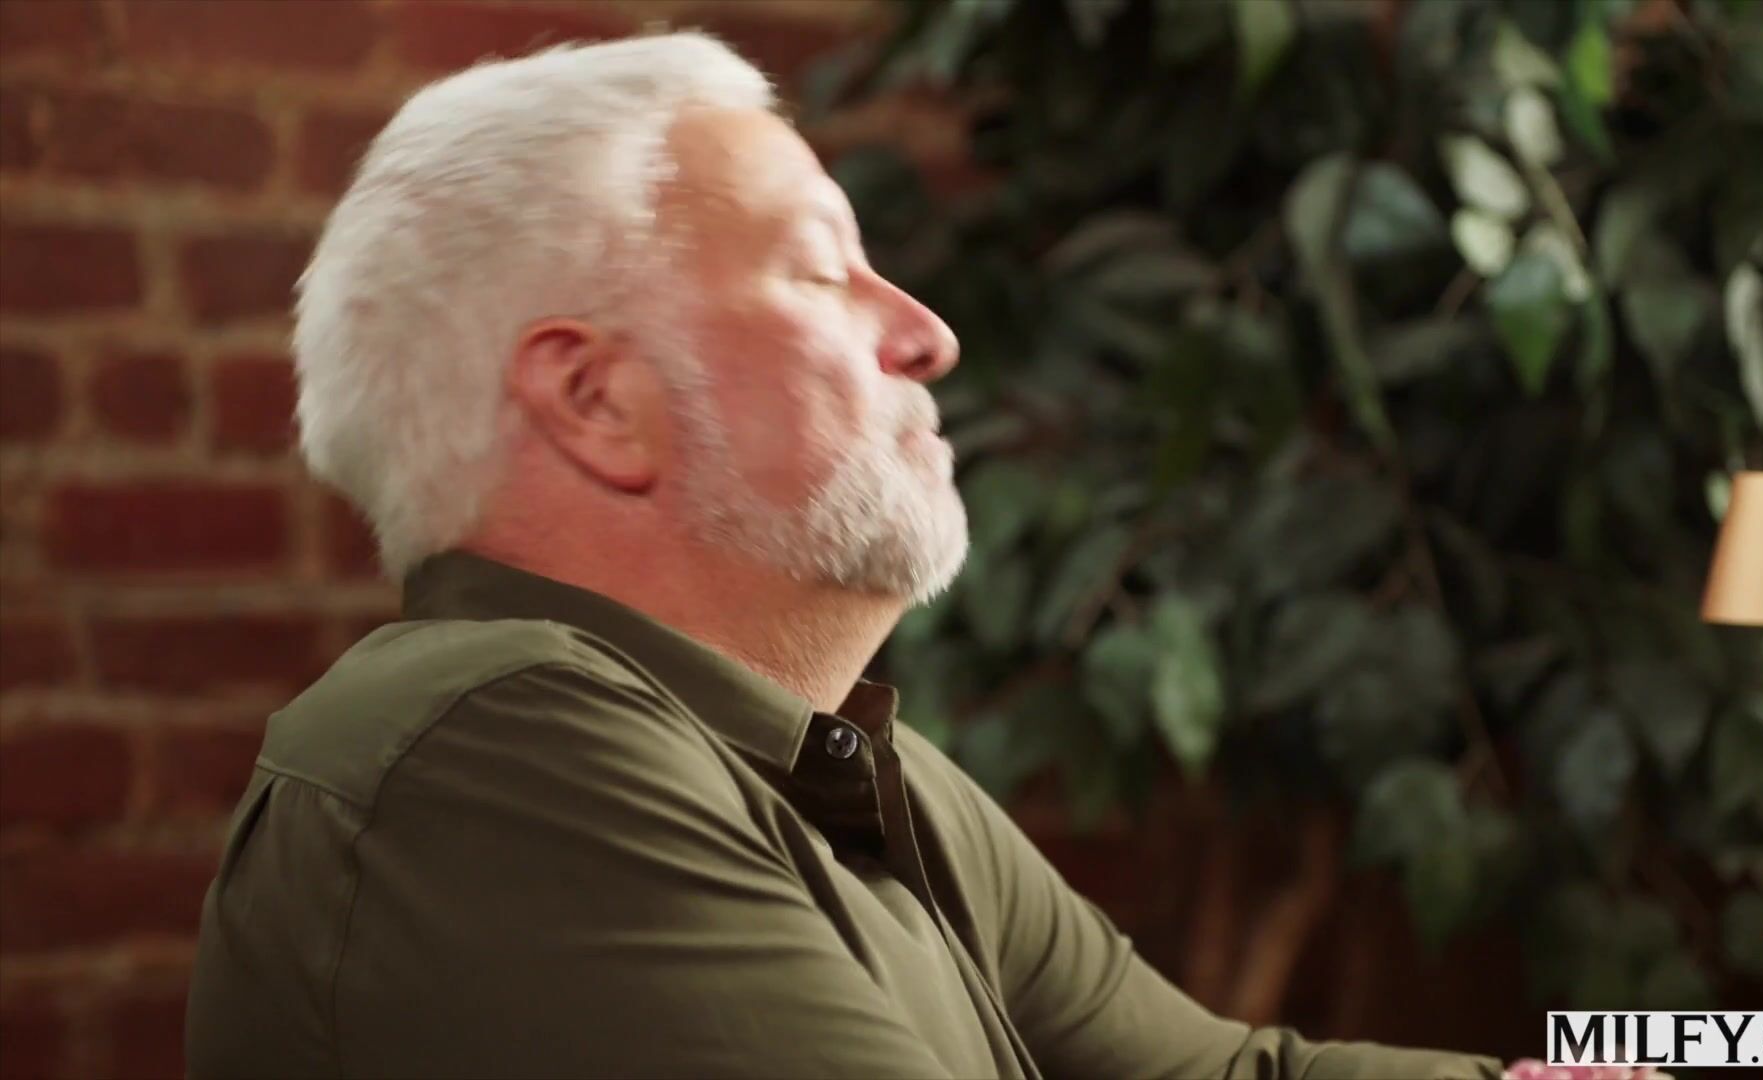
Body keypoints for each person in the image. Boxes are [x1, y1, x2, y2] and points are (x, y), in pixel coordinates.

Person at [184, 32, 1501, 1080]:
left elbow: (1233, 1073)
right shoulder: (493, 747)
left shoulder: (849, 771)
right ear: (596, 401)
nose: (928, 334)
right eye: (824, 271)